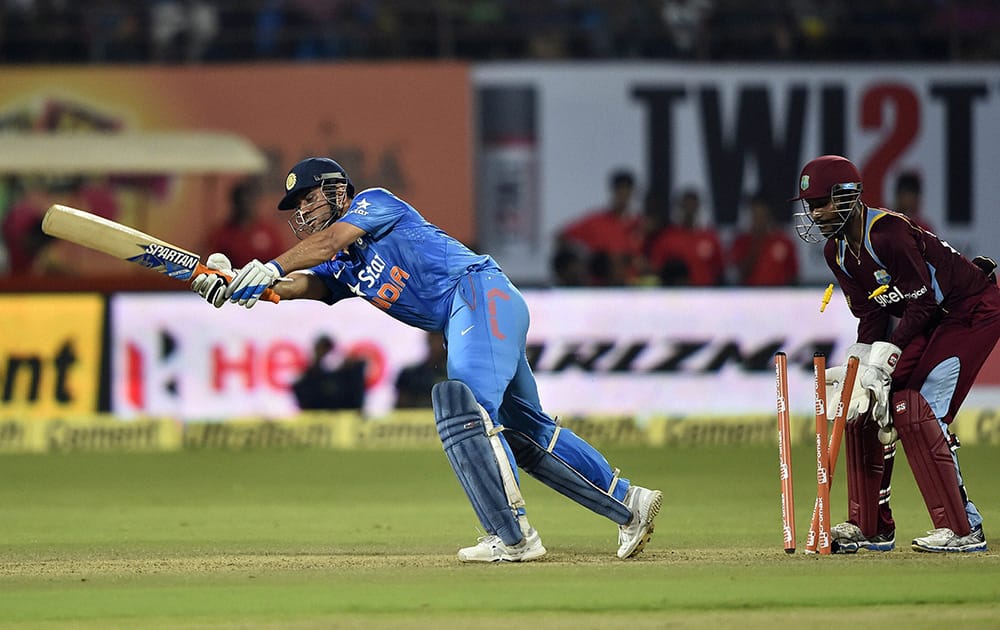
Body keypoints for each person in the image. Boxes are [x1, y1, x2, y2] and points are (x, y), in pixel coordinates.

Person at [191, 157, 662, 562]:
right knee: (525, 432)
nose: (302, 211)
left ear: (336, 192)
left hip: (477, 295)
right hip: (480, 311)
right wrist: (244, 286)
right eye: (296, 207)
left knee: (466, 410)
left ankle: (512, 538)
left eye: (308, 199)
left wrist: (271, 266)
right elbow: (307, 285)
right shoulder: (340, 265)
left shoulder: (372, 203)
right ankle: (629, 504)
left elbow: (325, 246)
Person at [791, 154, 1000, 553]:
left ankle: (963, 528)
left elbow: (922, 302)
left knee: (915, 407)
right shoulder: (835, 252)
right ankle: (870, 527)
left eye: (822, 202)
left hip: (969, 310)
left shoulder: (887, 233)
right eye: (811, 205)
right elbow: (871, 315)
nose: (815, 213)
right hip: (931, 318)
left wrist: (885, 361)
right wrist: (861, 367)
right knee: (863, 405)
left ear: (849, 195)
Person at [556, 168, 644, 286]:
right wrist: (586, 259)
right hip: (599, 289)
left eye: (626, 190)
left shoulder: (640, 224)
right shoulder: (595, 222)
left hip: (633, 288)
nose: (623, 195)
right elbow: (561, 237)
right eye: (620, 190)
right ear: (613, 191)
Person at [645, 188, 724, 286]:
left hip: (705, 294)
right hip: (677, 296)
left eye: (692, 205)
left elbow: (719, 270)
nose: (689, 209)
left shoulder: (710, 237)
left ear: (698, 206)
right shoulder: (667, 238)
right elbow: (655, 268)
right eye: (686, 205)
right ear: (680, 207)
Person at [204, 177, 286, 265]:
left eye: (249, 201)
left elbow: (280, 260)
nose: (245, 206)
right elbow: (211, 261)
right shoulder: (223, 234)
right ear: (235, 203)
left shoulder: (268, 231)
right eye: (242, 201)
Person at [727, 193, 799, 286]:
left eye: (761, 215)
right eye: (755, 215)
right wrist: (757, 241)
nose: (759, 219)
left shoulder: (784, 241)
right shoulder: (741, 241)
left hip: (779, 295)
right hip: (750, 294)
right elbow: (740, 274)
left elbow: (793, 276)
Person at [291, 335, 366, 411]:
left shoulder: (348, 373)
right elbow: (305, 404)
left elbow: (356, 402)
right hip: (318, 418)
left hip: (346, 416)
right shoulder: (310, 377)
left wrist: (354, 370)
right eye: (320, 352)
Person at [395, 331, 449, 409]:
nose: (437, 343)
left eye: (440, 338)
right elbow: (400, 408)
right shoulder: (410, 374)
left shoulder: (454, 376)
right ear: (428, 339)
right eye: (434, 337)